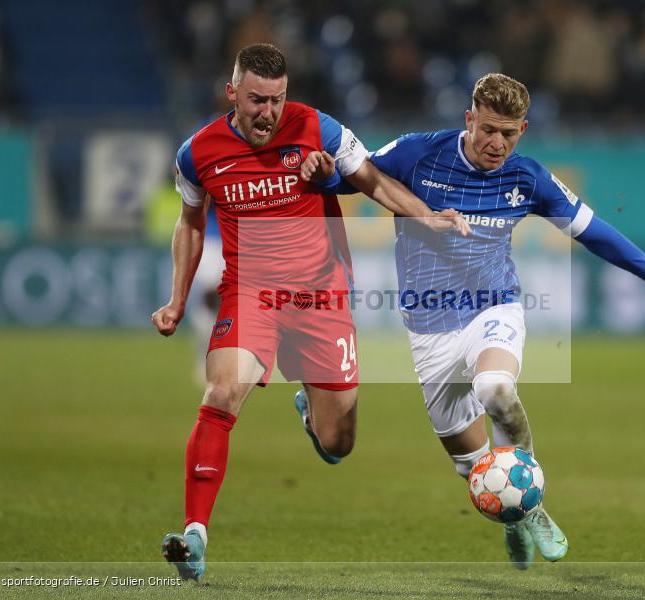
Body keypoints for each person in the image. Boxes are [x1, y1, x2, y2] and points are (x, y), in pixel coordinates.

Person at [303, 73, 645, 570]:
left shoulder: (528, 178)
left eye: (509, 134)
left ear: (523, 130)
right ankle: (513, 518)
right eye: (488, 129)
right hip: (429, 328)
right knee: (473, 471)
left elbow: (594, 231)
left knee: (495, 387)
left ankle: (530, 506)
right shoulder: (416, 154)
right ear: (468, 119)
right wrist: (320, 174)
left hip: (493, 307)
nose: (497, 143)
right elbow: (352, 179)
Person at [151, 43, 468, 582]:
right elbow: (189, 221)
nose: (268, 113)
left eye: (276, 100)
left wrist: (426, 217)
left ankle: (311, 413)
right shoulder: (198, 153)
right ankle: (196, 533)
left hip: (322, 299)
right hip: (251, 295)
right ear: (233, 93)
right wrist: (179, 299)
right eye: (256, 100)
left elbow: (372, 180)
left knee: (338, 441)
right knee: (223, 391)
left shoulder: (318, 129)